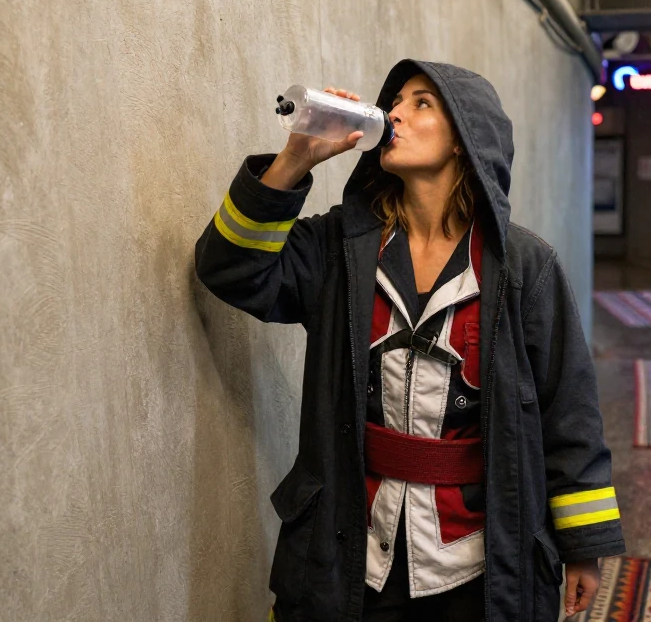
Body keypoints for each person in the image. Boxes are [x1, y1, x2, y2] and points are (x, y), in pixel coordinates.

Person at [195, 60, 625, 622]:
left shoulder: (524, 265)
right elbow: (229, 268)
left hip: (476, 561)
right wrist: (294, 160)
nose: (395, 111)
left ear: (465, 137)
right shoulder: (339, 247)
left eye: (422, 103)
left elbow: (568, 410)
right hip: (353, 552)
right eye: (395, 101)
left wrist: (583, 548)